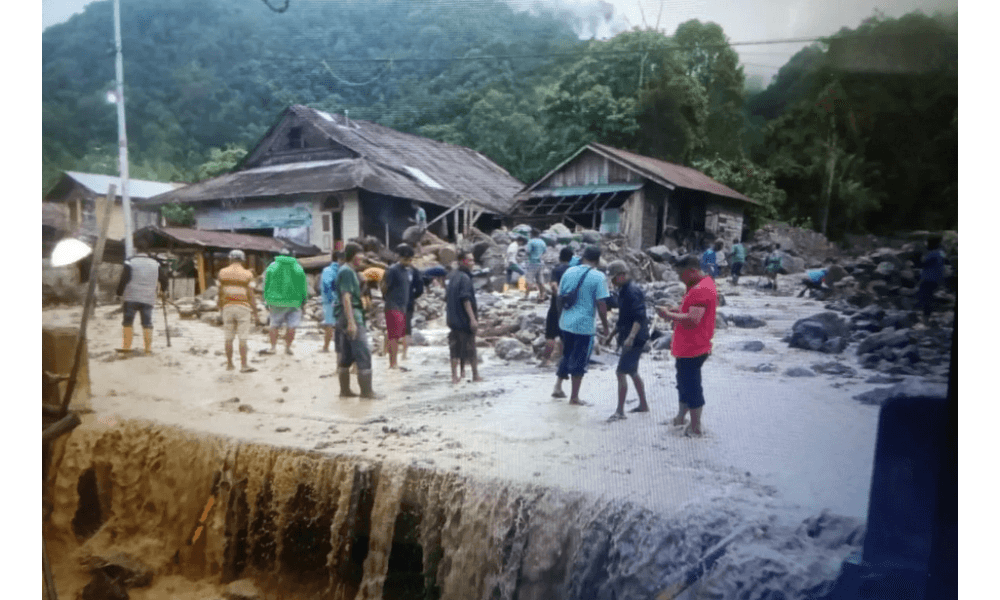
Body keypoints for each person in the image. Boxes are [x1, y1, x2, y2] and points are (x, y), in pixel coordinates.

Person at [656, 255, 719, 437]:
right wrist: (675, 310)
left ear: (691, 271)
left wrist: (669, 315)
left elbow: (692, 319)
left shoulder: (701, 289)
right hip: (688, 346)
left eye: (680, 273)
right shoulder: (701, 284)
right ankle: (681, 417)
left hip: (694, 347)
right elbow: (691, 311)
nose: (678, 278)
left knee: (691, 386)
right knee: (683, 383)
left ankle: (696, 426)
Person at [555, 245, 610, 406]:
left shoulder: (569, 271)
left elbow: (559, 297)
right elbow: (601, 304)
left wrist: (560, 318)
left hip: (566, 322)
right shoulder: (598, 276)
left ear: (583, 257)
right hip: (584, 326)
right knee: (579, 360)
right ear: (598, 260)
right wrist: (606, 326)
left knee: (567, 354)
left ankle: (558, 386)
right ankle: (574, 397)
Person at [604, 260, 650, 421]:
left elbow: (639, 316)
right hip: (631, 334)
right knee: (631, 371)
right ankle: (643, 405)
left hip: (635, 337)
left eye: (614, 278)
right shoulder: (624, 291)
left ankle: (620, 411)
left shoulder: (631, 291)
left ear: (621, 275)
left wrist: (630, 337)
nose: (612, 281)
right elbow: (623, 319)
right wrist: (611, 335)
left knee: (621, 372)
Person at [336, 242, 381, 398]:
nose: (361, 257)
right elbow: (346, 297)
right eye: (358, 254)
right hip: (351, 313)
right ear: (351, 255)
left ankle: (345, 391)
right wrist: (351, 322)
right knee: (363, 352)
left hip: (344, 314)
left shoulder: (349, 271)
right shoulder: (347, 272)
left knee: (347, 354)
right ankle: (367, 392)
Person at [116, 237, 162, 355]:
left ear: (136, 249)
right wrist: (164, 291)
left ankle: (126, 347)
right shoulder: (156, 263)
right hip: (148, 298)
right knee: (147, 323)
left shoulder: (130, 262)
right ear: (147, 250)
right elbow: (164, 280)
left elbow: (124, 279)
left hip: (131, 297)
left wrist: (119, 293)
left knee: (127, 322)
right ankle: (148, 349)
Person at [218, 249, 260, 372]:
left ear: (230, 259)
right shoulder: (248, 274)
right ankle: (244, 365)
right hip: (243, 307)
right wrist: (256, 312)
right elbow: (251, 295)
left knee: (228, 337)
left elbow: (220, 293)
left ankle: (230, 364)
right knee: (243, 338)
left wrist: (220, 309)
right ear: (243, 260)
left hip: (227, 307)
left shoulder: (222, 272)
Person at [446, 251, 482, 384]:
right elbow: (466, 300)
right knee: (470, 347)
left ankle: (455, 376)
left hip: (452, 320)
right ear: (462, 261)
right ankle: (475, 375)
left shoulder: (453, 276)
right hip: (464, 320)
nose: (473, 263)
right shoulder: (465, 278)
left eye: (473, 260)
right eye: (470, 260)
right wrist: (472, 319)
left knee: (455, 349)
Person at [263, 252, 308, 355]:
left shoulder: (272, 266)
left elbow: (266, 284)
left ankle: (273, 348)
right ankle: (287, 348)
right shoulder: (298, 268)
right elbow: (303, 287)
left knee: (274, 325)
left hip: (275, 301)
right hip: (294, 302)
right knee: (292, 326)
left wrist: (266, 300)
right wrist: (304, 301)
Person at [540, 247, 573, 375]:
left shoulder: (557, 269)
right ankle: (563, 360)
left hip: (555, 306)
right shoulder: (573, 271)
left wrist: (557, 294)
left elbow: (554, 286)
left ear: (560, 257)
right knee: (565, 335)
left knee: (550, 334)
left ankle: (545, 360)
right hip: (569, 307)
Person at [382, 244, 415, 369]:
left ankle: (394, 362)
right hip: (393, 306)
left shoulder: (409, 271)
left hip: (403, 307)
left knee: (398, 335)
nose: (408, 262)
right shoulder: (392, 270)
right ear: (400, 258)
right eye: (406, 259)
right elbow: (385, 287)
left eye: (410, 259)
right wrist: (387, 299)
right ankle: (393, 364)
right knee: (393, 336)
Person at [915, 235, 946, 326]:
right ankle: (927, 317)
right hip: (935, 279)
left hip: (928, 279)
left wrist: (918, 256)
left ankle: (925, 320)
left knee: (926, 299)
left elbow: (923, 264)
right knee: (929, 298)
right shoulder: (941, 252)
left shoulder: (933, 254)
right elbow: (943, 261)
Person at [320, 251, 343, 354]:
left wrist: (331, 298)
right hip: (343, 300)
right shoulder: (345, 270)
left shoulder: (327, 270)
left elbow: (326, 285)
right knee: (341, 324)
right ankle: (340, 347)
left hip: (330, 301)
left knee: (329, 324)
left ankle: (326, 347)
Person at [401, 257, 424, 360]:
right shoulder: (414, 271)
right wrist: (412, 296)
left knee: (392, 327)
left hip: (394, 302)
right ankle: (404, 355)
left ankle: (387, 354)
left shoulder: (393, 269)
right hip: (408, 303)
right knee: (406, 327)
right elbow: (420, 289)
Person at [525, 229, 549, 302]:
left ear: (532, 234)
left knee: (529, 280)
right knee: (540, 281)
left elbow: (527, 251)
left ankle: (526, 296)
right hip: (541, 263)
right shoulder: (542, 242)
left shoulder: (531, 241)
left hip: (532, 262)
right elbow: (545, 251)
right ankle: (542, 296)